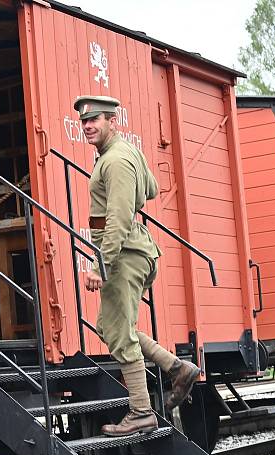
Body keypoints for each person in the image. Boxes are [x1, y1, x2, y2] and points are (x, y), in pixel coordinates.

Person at [74, 95, 200, 437]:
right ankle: (176, 368)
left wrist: (100, 265)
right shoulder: (125, 153)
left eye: (94, 120)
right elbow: (152, 188)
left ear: (112, 120)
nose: (88, 126)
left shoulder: (115, 160)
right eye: (84, 121)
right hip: (132, 250)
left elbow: (116, 218)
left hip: (124, 254)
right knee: (110, 324)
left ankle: (142, 412)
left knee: (117, 332)